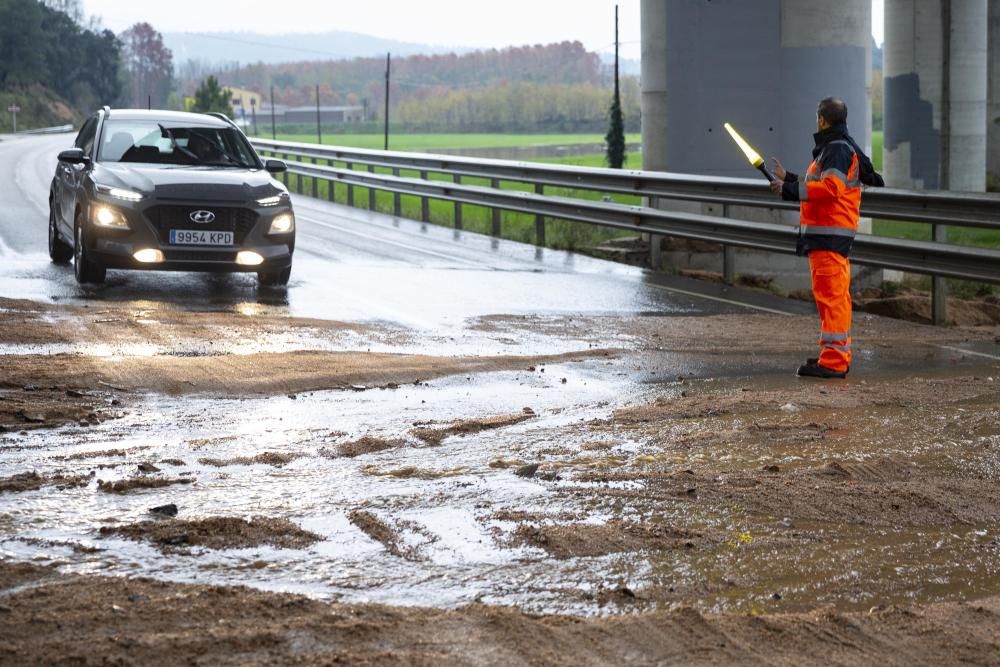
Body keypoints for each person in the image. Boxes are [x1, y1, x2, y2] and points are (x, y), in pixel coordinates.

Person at [769, 97, 866, 379]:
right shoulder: (837, 147)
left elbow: (831, 189)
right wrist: (788, 179)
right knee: (834, 298)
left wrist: (788, 190)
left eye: (817, 118)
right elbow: (818, 184)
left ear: (822, 119)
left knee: (831, 298)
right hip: (829, 235)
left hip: (829, 235)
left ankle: (834, 361)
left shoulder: (835, 149)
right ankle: (834, 355)